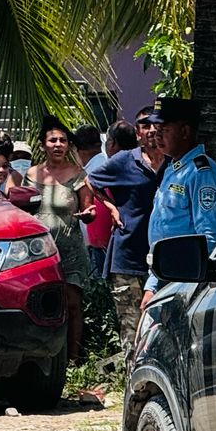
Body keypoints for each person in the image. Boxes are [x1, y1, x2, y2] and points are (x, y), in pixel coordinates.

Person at [88, 107, 166, 346]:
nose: (151, 130)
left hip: (165, 260)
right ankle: (133, 371)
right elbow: (90, 181)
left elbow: (210, 175)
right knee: (132, 332)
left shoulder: (175, 163)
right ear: (137, 133)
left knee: (162, 332)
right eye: (144, 125)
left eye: (155, 125)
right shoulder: (124, 160)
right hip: (128, 258)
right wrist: (111, 207)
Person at [141, 97, 216, 310]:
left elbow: (208, 237)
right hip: (164, 277)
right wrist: (152, 285)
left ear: (185, 131)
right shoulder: (174, 169)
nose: (157, 135)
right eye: (156, 129)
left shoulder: (201, 172)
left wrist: (191, 290)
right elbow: (163, 232)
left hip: (184, 283)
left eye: (164, 129)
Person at [25, 120, 97, 362]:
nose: (58, 145)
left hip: (70, 251)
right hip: (38, 252)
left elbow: (89, 208)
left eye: (63, 140)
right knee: (40, 304)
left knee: (72, 304)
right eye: (53, 140)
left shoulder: (78, 174)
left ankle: (73, 361)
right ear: (42, 145)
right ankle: (41, 358)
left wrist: (89, 214)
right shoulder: (31, 175)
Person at [72, 124, 114, 278]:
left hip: (97, 244)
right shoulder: (107, 164)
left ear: (78, 150)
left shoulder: (89, 174)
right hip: (104, 241)